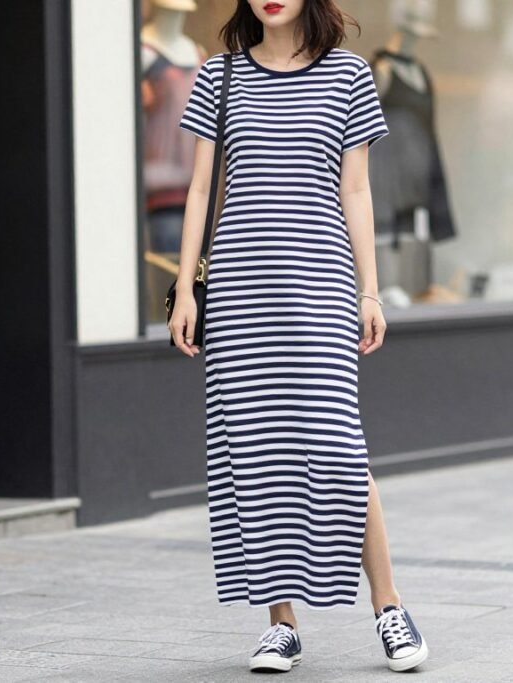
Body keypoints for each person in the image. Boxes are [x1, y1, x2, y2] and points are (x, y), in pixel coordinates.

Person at [169, 0, 429, 674]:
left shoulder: (347, 75)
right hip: (239, 292)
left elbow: (358, 192)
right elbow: (200, 190)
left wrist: (369, 289)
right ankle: (280, 622)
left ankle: (391, 607)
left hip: (318, 289)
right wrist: (185, 290)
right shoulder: (218, 76)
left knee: (341, 446)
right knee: (254, 451)